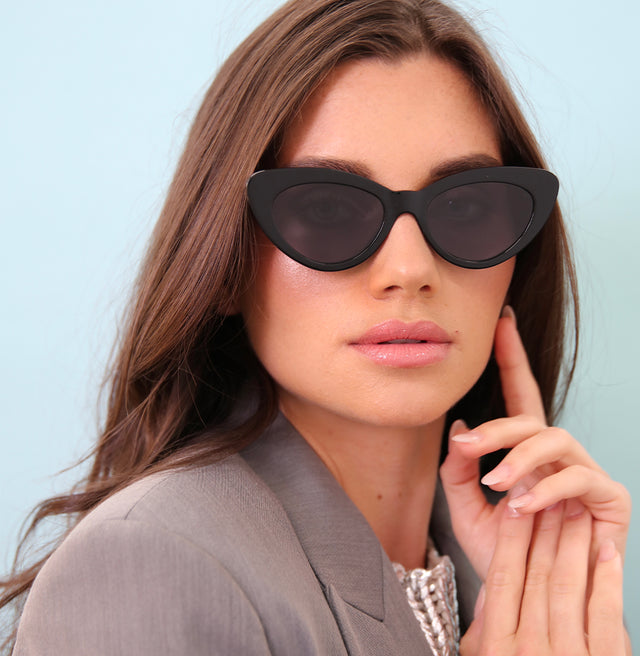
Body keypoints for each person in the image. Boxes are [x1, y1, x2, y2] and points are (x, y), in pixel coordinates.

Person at [1, 0, 631, 654]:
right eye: (328, 207)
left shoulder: (523, 588)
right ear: (225, 263)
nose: (410, 268)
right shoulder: (145, 563)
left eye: (466, 204)